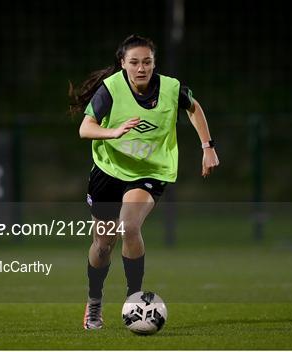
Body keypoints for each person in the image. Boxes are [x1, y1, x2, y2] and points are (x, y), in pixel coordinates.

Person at [69, 34, 219, 330]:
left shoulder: (171, 88)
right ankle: (94, 301)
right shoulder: (111, 89)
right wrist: (112, 133)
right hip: (109, 171)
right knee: (102, 244)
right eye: (134, 62)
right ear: (123, 64)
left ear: (154, 63)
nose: (141, 68)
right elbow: (85, 129)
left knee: (130, 225)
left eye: (147, 62)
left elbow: (194, 108)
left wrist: (208, 147)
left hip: (150, 172)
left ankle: (134, 299)